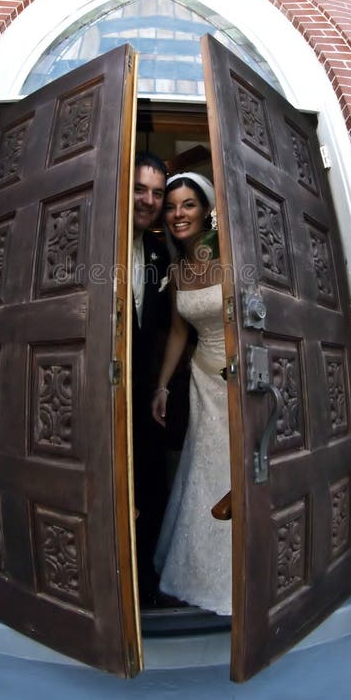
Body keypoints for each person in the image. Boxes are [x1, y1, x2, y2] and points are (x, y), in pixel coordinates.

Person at [151, 172, 232, 616]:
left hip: (238, 380)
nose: (178, 214)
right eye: (172, 206)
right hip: (202, 377)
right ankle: (196, 569)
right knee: (204, 467)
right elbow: (181, 331)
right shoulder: (177, 271)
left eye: (188, 205)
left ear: (206, 210)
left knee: (237, 471)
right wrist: (162, 386)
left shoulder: (231, 258)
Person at [131, 151, 171, 605]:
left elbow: (160, 325)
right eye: (140, 189)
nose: (149, 200)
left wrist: (159, 385)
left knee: (150, 481)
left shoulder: (158, 251)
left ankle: (146, 580)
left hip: (144, 388)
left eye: (156, 193)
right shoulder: (100, 239)